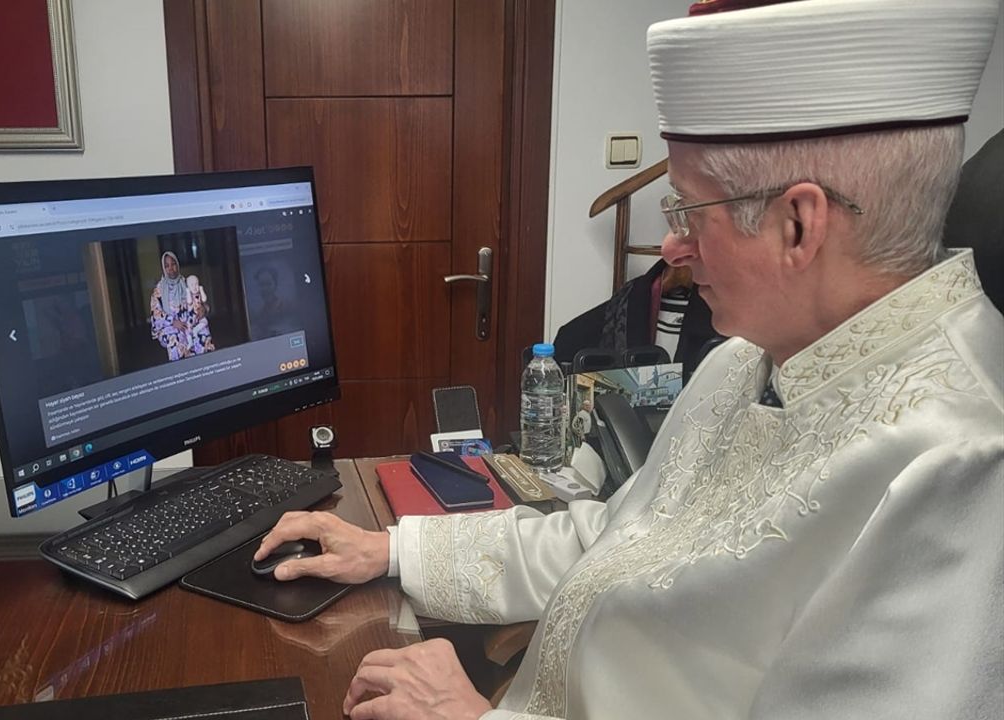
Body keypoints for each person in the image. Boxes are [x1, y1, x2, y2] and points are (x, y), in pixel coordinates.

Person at [254, 1, 1004, 718]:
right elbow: (610, 540)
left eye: (688, 211)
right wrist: (390, 549)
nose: (672, 247)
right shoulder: (743, 362)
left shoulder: (959, 466)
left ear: (798, 225)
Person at [149, 251, 214, 360]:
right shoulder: (159, 290)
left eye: (173, 264)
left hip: (189, 323)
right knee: (175, 338)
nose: (171, 268)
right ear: (163, 268)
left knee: (202, 331)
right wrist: (173, 321)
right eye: (167, 266)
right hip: (170, 326)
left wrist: (203, 308)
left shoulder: (186, 283)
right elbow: (156, 314)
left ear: (177, 265)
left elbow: (199, 301)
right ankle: (182, 370)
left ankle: (206, 366)